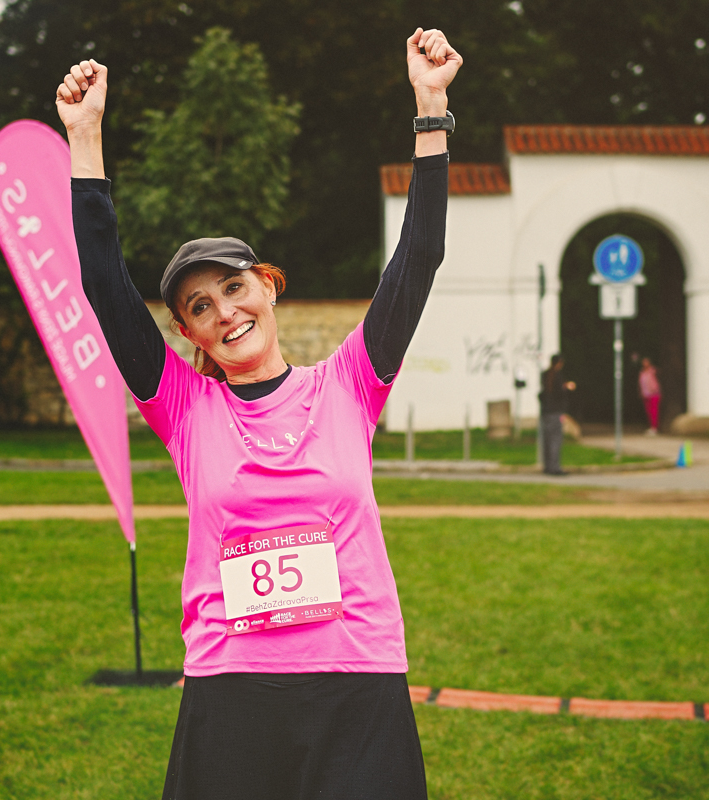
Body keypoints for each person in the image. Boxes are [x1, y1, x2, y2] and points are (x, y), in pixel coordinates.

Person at [57, 27, 460, 799]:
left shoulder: (351, 381)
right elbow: (105, 286)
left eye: (234, 288)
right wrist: (85, 137)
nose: (225, 312)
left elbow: (418, 257)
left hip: (357, 679)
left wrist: (431, 110)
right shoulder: (184, 407)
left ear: (268, 286)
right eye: (200, 306)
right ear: (189, 333)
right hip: (234, 687)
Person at [539, 353, 576, 475]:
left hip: (546, 412)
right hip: (556, 412)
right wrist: (567, 387)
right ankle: (555, 467)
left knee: (547, 440)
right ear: (560, 363)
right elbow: (559, 393)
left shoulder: (545, 375)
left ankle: (548, 466)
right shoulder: (558, 376)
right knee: (555, 440)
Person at [638, 356, 661, 435]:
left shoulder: (653, 370)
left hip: (654, 393)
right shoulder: (642, 372)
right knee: (648, 411)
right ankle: (651, 427)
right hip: (645, 394)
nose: (645, 363)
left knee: (654, 411)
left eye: (646, 362)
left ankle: (655, 428)